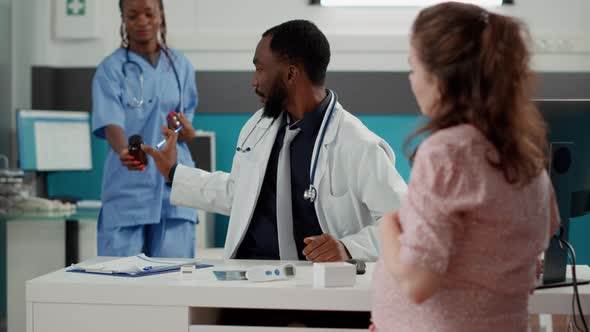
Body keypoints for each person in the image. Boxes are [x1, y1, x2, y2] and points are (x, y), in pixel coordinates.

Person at [144, 20, 407, 263]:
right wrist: (174, 173)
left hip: (317, 285)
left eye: (260, 68)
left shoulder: (358, 144)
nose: (253, 81)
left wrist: (349, 248)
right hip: (249, 274)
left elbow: (406, 225)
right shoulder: (258, 126)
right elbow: (240, 194)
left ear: (291, 74)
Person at [370, 2, 560, 332]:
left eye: (413, 67)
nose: (411, 80)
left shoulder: (447, 152)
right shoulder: (527, 160)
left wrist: (387, 227)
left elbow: (418, 282)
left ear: (441, 78)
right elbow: (546, 229)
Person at [91, 0, 199, 258]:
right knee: (119, 279)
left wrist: (187, 131)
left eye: (149, 13)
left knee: (175, 279)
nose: (141, 21)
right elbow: (110, 121)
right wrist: (123, 150)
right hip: (130, 184)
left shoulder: (180, 66)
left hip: (174, 182)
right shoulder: (111, 69)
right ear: (123, 19)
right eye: (132, 15)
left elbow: (185, 119)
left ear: (160, 14)